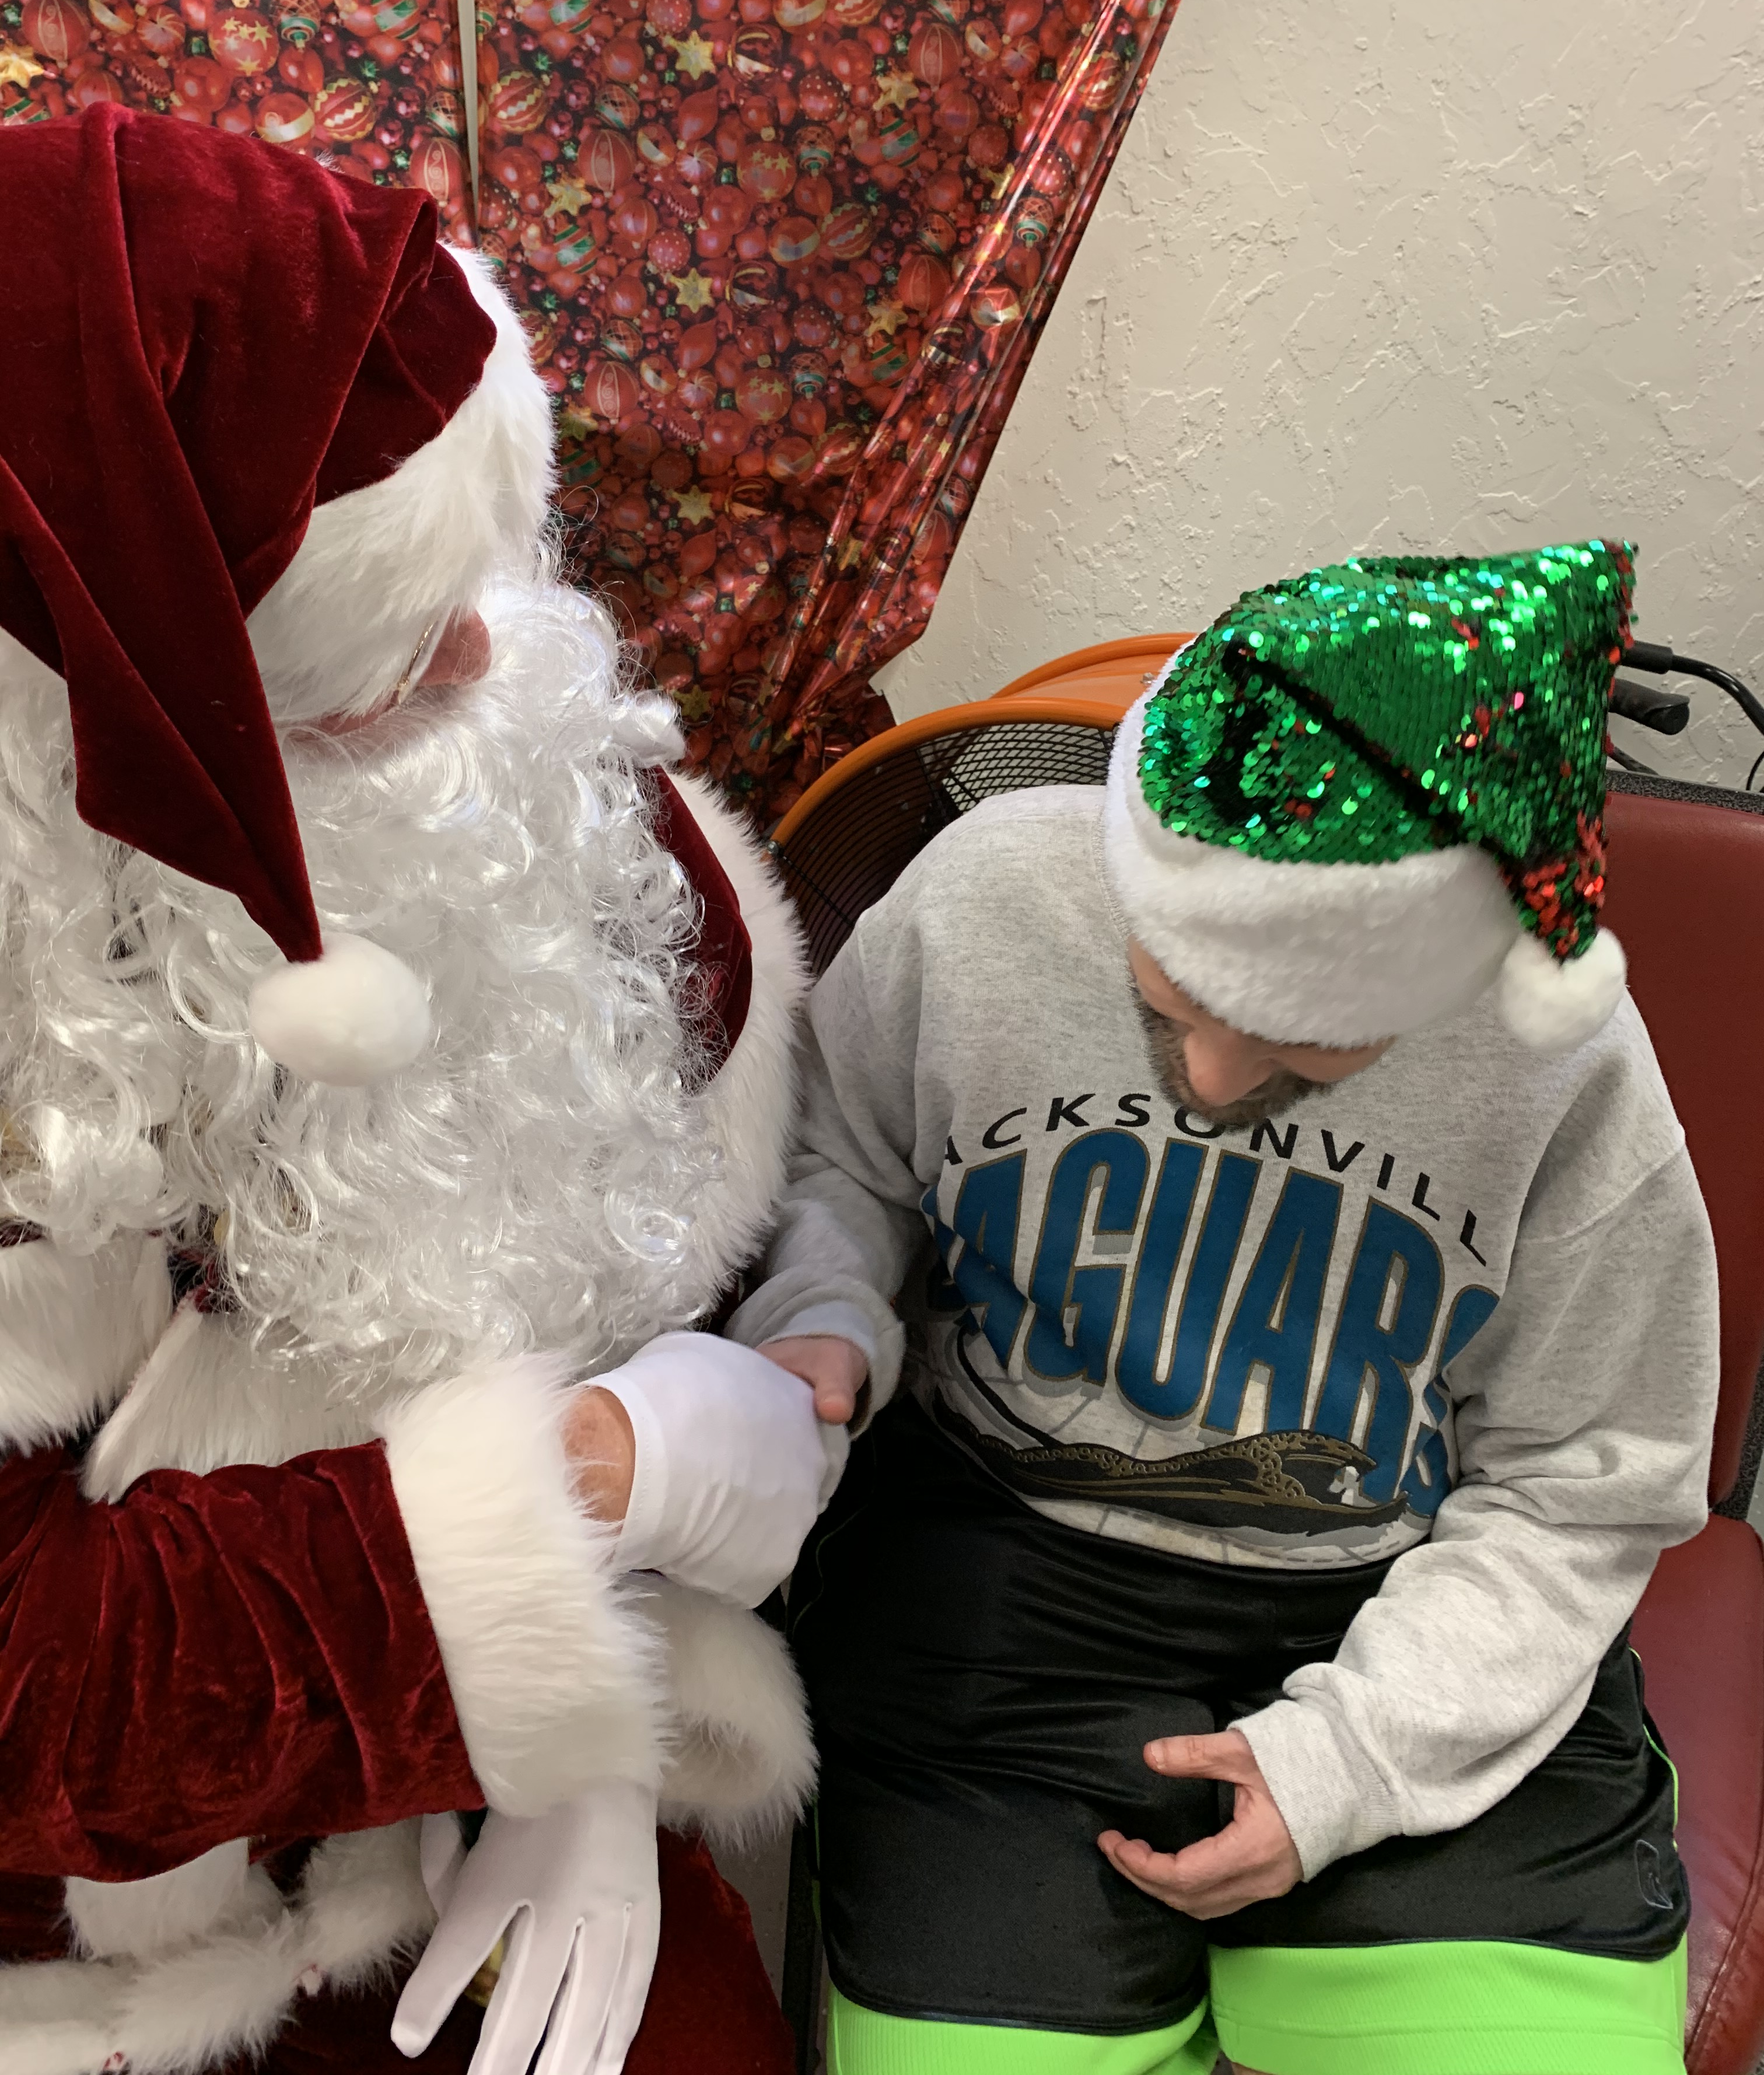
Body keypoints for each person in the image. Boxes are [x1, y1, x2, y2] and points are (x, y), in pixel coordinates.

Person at [0, 106, 844, 2075]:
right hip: (70, 1918)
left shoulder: (569, 821)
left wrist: (583, 1752)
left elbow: (697, 1225)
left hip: (467, 1787)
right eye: (377, 648)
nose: (483, 655)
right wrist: (597, 1483)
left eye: (486, 563)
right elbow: (37, 1699)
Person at [729, 543, 1718, 2075]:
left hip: (1404, 1598)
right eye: (1171, 998)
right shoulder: (986, 892)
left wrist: (1352, 1760)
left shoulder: (1570, 1063)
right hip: (996, 1580)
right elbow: (840, 1154)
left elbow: (1586, 1483)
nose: (1205, 1082)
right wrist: (821, 1305)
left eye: (1307, 1054)